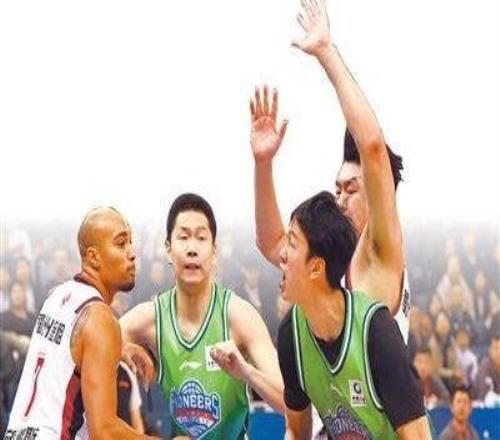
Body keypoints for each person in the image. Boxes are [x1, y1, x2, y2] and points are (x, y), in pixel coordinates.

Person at [251, 0, 410, 343]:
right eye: (337, 189)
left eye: (351, 190)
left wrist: (326, 52)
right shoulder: (332, 255)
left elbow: (372, 149)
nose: (340, 199)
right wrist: (263, 165)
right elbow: (272, 243)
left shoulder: (381, 250)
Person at [120, 193, 284, 439]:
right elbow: (92, 345)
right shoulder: (151, 318)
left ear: (214, 251)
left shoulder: (240, 316)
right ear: (168, 249)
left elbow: (288, 402)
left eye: (201, 238)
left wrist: (246, 372)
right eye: (183, 237)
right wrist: (119, 347)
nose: (192, 249)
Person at [277, 191, 432, 439]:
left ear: (316, 267)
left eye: (292, 244)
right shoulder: (291, 334)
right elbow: (296, 430)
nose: (281, 254)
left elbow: (418, 435)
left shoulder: (376, 331)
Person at [5, 207, 158, 439]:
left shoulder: (57, 295)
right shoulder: (100, 318)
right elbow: (103, 432)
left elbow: (69, 345)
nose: (132, 253)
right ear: (94, 257)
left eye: (130, 243)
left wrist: (115, 348)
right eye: (121, 244)